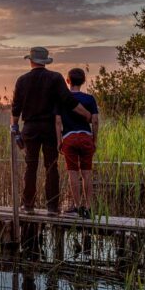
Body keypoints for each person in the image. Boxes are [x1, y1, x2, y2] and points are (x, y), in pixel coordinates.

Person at [11, 48, 93, 214]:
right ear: (45, 61)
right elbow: (68, 100)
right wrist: (86, 114)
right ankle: (52, 207)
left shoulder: (22, 80)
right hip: (49, 127)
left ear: (31, 61)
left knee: (30, 167)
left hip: (30, 128)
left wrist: (15, 128)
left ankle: (28, 206)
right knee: (51, 167)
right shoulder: (55, 78)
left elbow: (16, 108)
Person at [56, 68, 100, 219]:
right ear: (83, 82)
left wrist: (59, 142)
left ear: (68, 81)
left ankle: (77, 205)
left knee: (73, 173)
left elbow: (57, 121)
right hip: (86, 137)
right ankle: (89, 207)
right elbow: (94, 120)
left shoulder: (62, 99)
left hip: (69, 138)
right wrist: (94, 140)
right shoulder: (90, 99)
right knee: (86, 173)